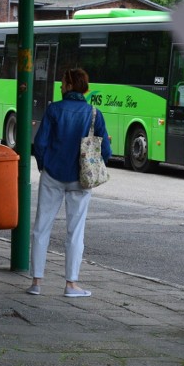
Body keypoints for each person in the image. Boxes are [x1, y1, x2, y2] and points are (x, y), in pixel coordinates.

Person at [27, 68, 111, 298]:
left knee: (41, 228)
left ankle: (36, 282)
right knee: (75, 232)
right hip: (80, 180)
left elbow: (40, 143)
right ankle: (71, 285)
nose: (61, 86)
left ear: (72, 85)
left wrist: (45, 165)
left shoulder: (54, 110)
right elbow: (106, 150)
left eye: (63, 83)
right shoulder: (94, 113)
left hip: (52, 175)